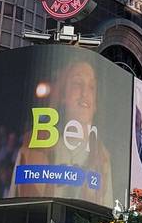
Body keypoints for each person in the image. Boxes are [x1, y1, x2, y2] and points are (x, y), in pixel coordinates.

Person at [10, 59, 114, 207]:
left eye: (92, 87)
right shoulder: (33, 147)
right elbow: (11, 205)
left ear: (95, 103)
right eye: (77, 84)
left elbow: (109, 215)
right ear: (63, 95)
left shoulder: (103, 157)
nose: (85, 93)